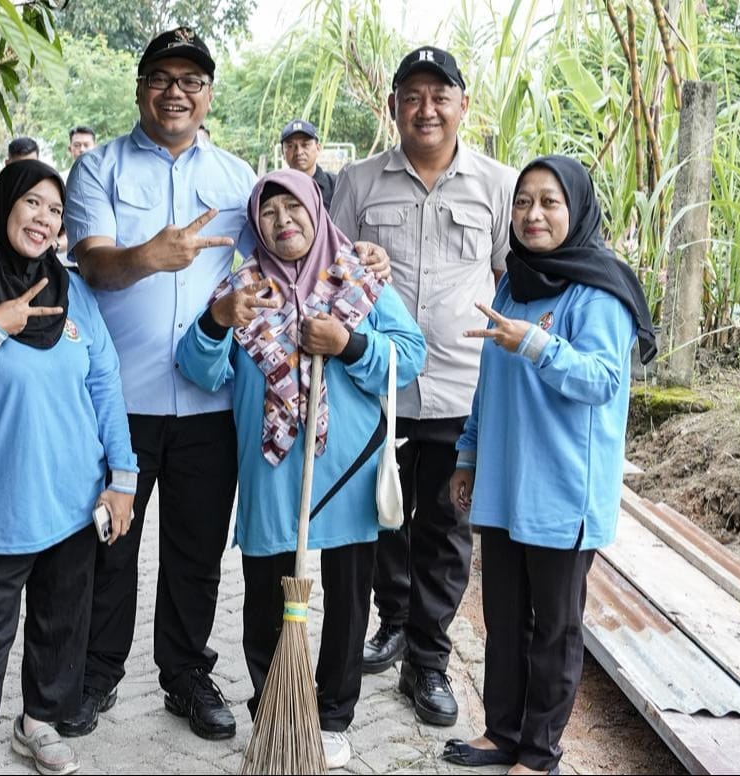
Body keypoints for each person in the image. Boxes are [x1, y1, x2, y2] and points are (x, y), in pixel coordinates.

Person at [63, 26, 391, 742]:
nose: (176, 91)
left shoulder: (238, 177)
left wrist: (354, 253)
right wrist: (151, 255)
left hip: (213, 405)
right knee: (109, 545)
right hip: (119, 401)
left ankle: (185, 673)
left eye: (191, 80)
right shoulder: (101, 170)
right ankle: (95, 675)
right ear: (140, 85)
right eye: (162, 77)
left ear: (208, 94)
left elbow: (286, 251)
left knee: (196, 549)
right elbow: (92, 265)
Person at [177, 170, 425, 769]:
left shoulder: (358, 276)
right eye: (269, 211)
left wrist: (349, 344)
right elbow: (198, 367)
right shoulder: (240, 288)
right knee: (265, 592)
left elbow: (410, 354)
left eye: (295, 207)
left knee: (346, 595)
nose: (283, 219)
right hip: (271, 470)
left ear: (318, 210)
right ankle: (275, 706)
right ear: (255, 223)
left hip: (347, 469)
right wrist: (217, 319)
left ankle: (334, 715)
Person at [0, 160, 138, 776]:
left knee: (62, 623)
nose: (44, 219)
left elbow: (105, 383)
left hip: (77, 496)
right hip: (1, 502)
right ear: (3, 206)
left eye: (56, 210)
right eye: (32, 203)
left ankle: (36, 722)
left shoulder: (72, 292)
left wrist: (123, 477)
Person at [443, 155, 656, 776]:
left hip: (564, 489)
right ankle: (502, 733)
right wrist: (468, 455)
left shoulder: (601, 288)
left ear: (577, 210)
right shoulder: (516, 280)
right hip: (506, 480)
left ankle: (540, 755)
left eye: (550, 202)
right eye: (523, 202)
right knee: (504, 617)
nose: (533, 215)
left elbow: (604, 380)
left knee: (554, 628)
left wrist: (534, 343)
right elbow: (490, 381)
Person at [330, 45, 517, 727]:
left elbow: (511, 278)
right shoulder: (356, 182)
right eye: (413, 94)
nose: (427, 108)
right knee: (381, 517)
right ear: (394, 108)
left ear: (463, 106)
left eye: (441, 96)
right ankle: (395, 621)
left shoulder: (497, 185)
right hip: (373, 387)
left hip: (459, 392)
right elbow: (328, 275)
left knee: (445, 526)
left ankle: (429, 663)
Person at [280, 119, 337, 209]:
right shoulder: (277, 187)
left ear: (318, 148)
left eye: (305, 145)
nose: (299, 152)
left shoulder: (336, 185)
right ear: (283, 152)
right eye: (291, 146)